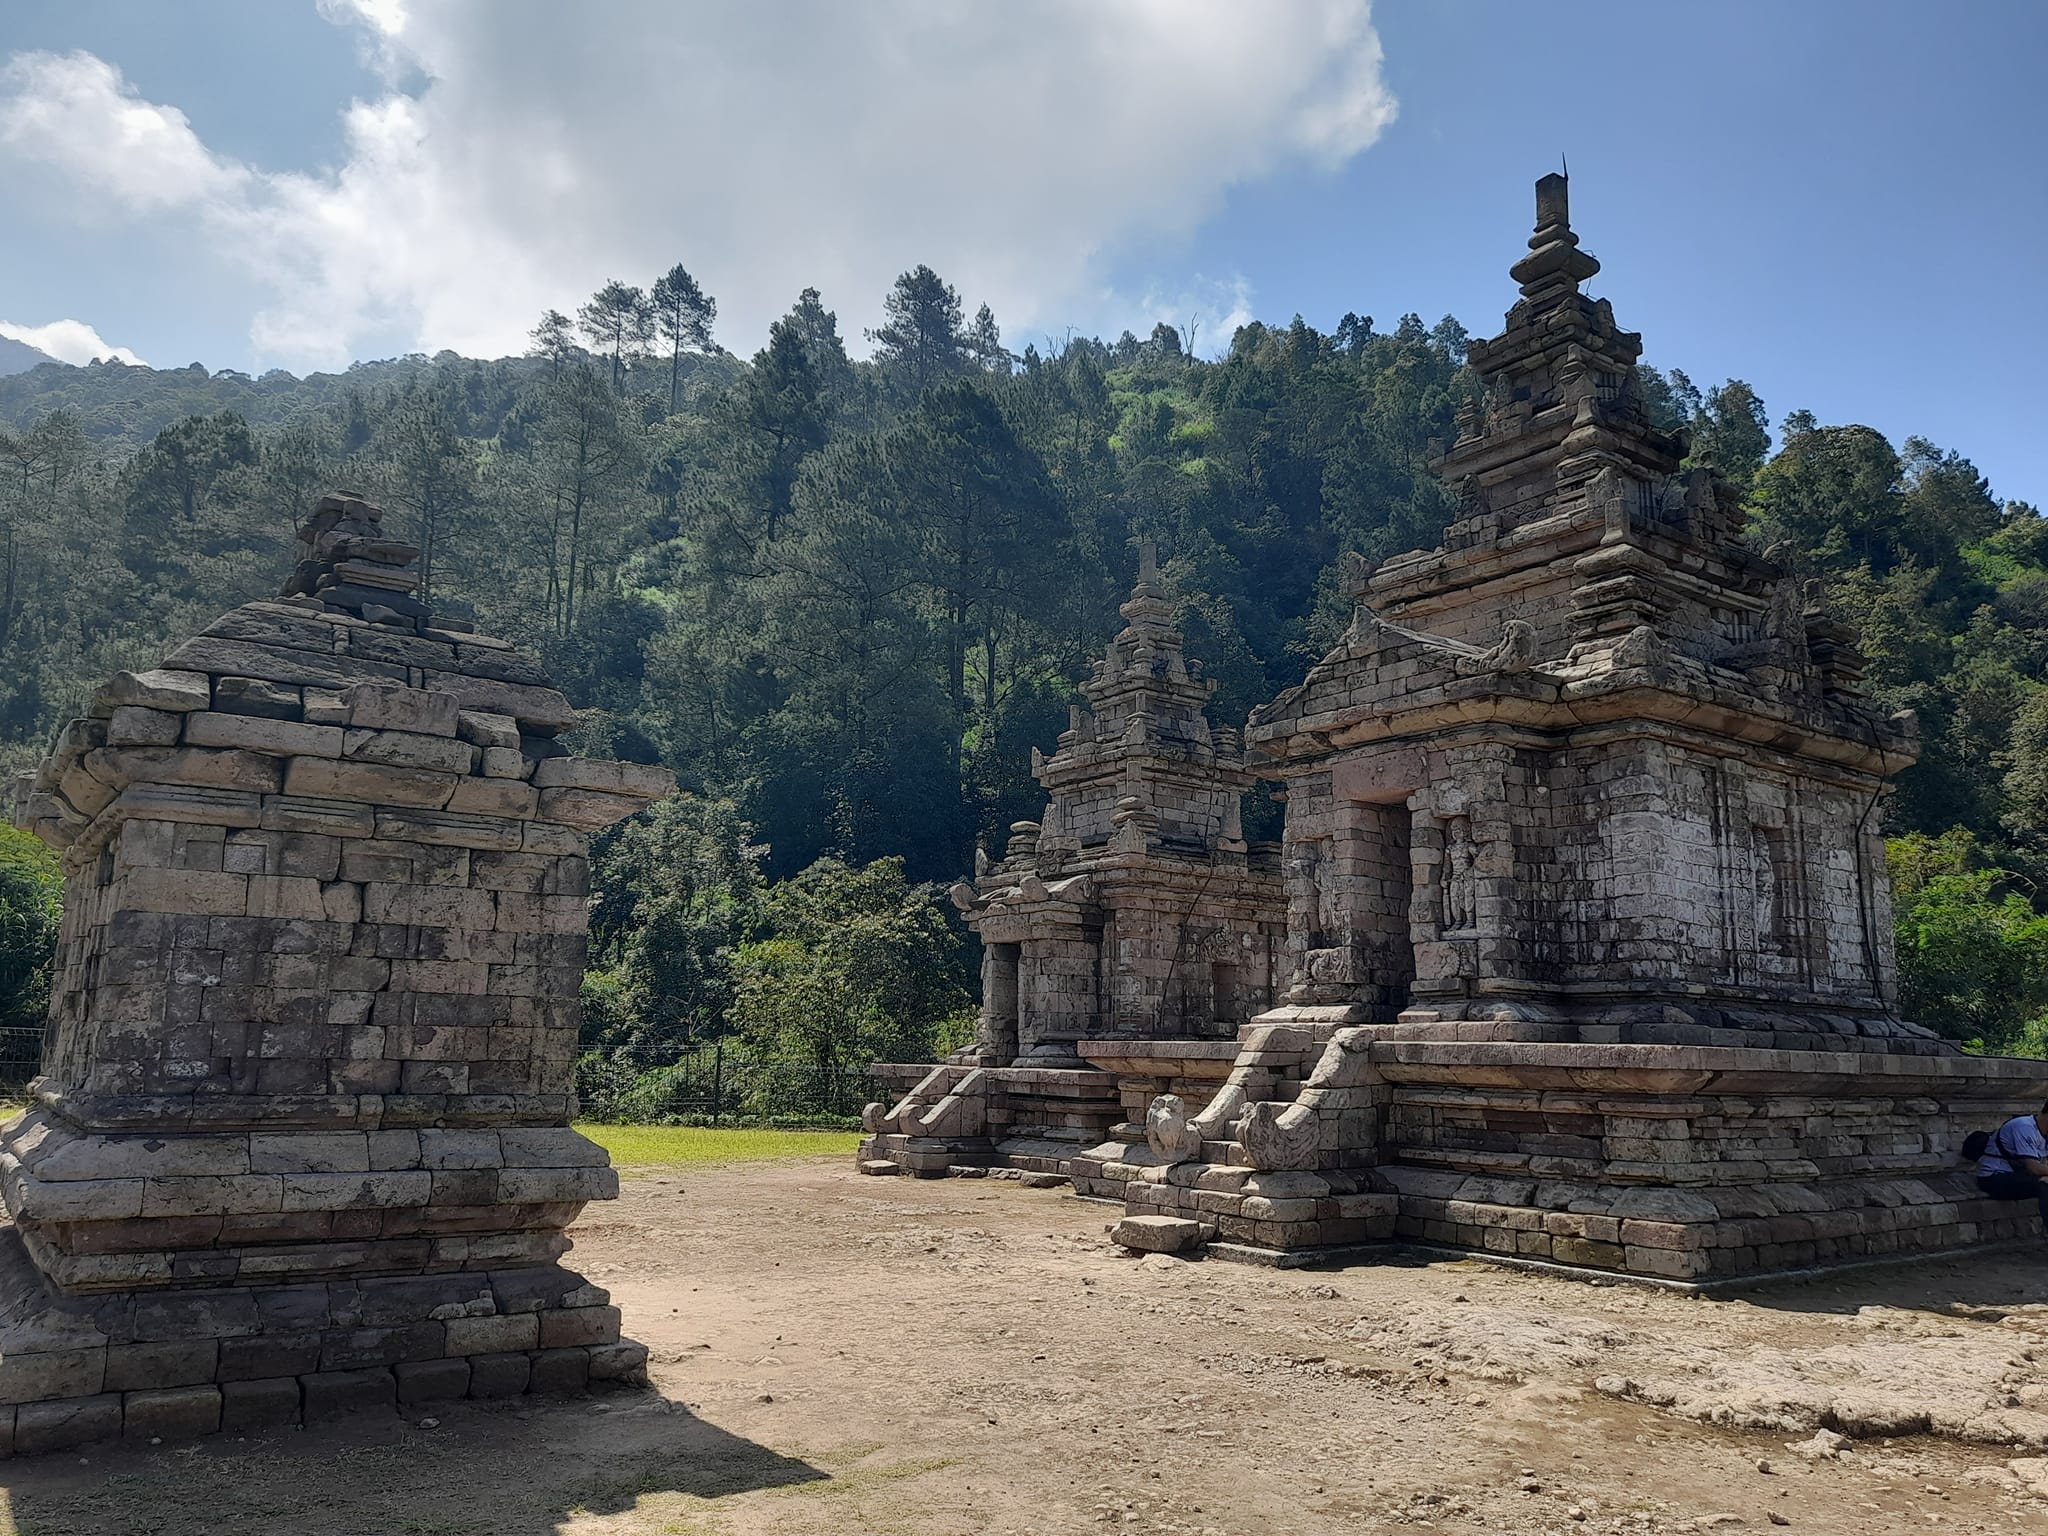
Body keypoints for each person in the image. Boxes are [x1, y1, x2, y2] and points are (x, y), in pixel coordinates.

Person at [1976, 1104, 2048, 1222]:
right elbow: (2034, 1168)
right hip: (1994, 1177)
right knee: (2044, 1185)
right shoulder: (2024, 1126)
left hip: (2019, 1175)